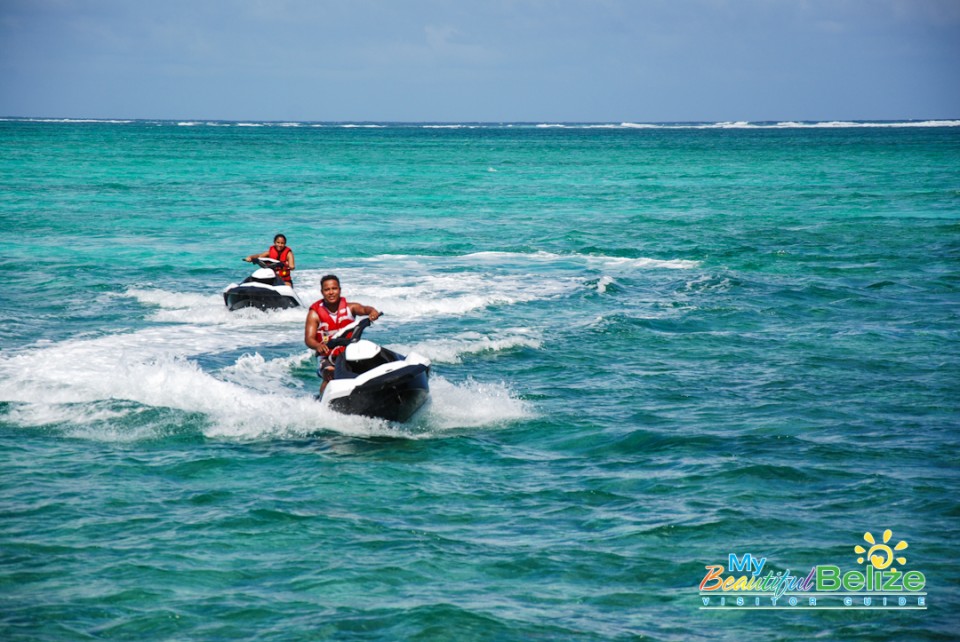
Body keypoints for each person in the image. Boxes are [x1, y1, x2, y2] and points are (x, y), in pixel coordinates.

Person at [304, 275, 381, 394]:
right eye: (327, 289)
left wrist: (372, 312)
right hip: (327, 357)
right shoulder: (315, 314)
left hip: (349, 352)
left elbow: (364, 309)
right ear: (322, 292)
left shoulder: (351, 307)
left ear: (339, 290)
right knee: (330, 374)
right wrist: (318, 346)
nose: (331, 292)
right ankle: (323, 402)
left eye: (334, 288)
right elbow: (309, 339)